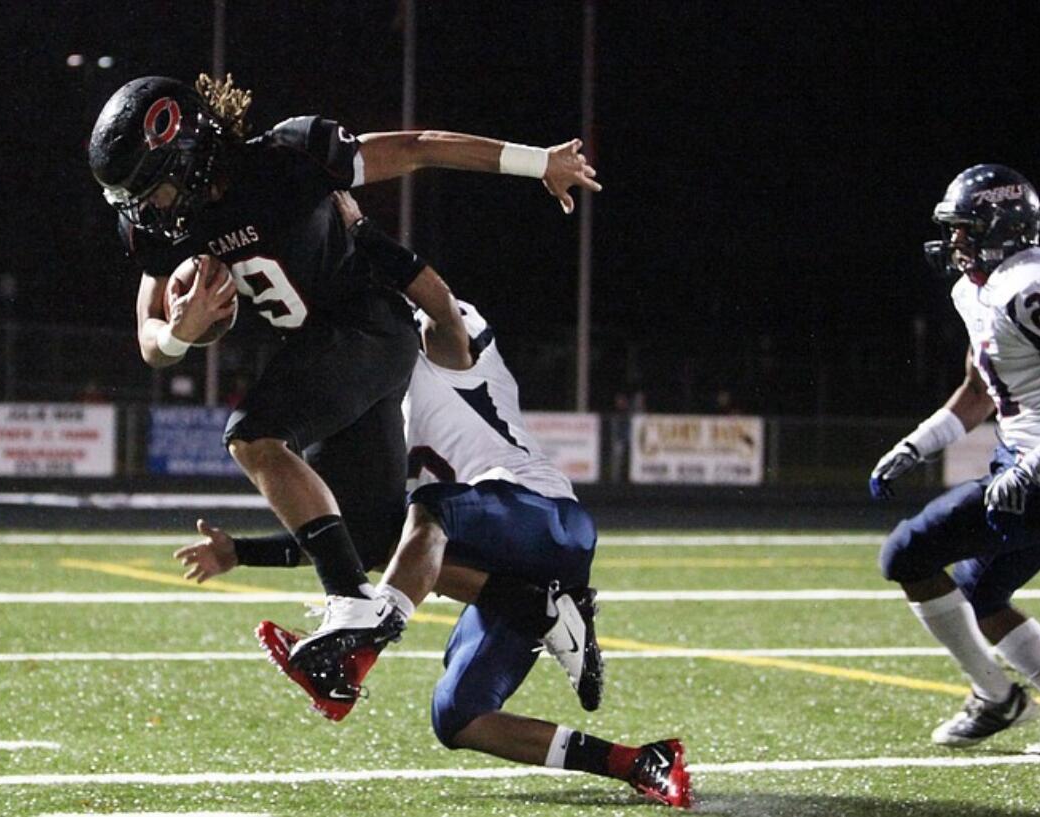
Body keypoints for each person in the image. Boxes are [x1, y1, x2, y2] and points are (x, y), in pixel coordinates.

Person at [88, 74, 601, 678]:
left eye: (155, 190)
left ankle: (351, 604)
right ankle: (538, 608)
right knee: (374, 540)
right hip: (329, 348)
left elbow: (420, 146)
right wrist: (181, 329)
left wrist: (536, 161)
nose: (149, 211)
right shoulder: (167, 226)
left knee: (253, 435)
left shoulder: (288, 157)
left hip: (370, 325)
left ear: (192, 154)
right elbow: (153, 345)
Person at [177, 208, 690, 807]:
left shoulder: (426, 338)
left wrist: (362, 234)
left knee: (429, 509)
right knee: (457, 717)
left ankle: (365, 647)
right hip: (496, 558)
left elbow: (442, 309)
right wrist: (242, 552)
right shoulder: (370, 389)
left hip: (544, 518)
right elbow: (360, 542)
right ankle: (638, 760)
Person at [870, 164, 1040, 754]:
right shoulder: (976, 287)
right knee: (980, 594)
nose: (955, 241)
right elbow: (980, 390)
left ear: (1001, 227)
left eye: (965, 227)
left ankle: (995, 696)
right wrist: (916, 445)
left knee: (907, 553)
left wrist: (1029, 470)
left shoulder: (1032, 285)